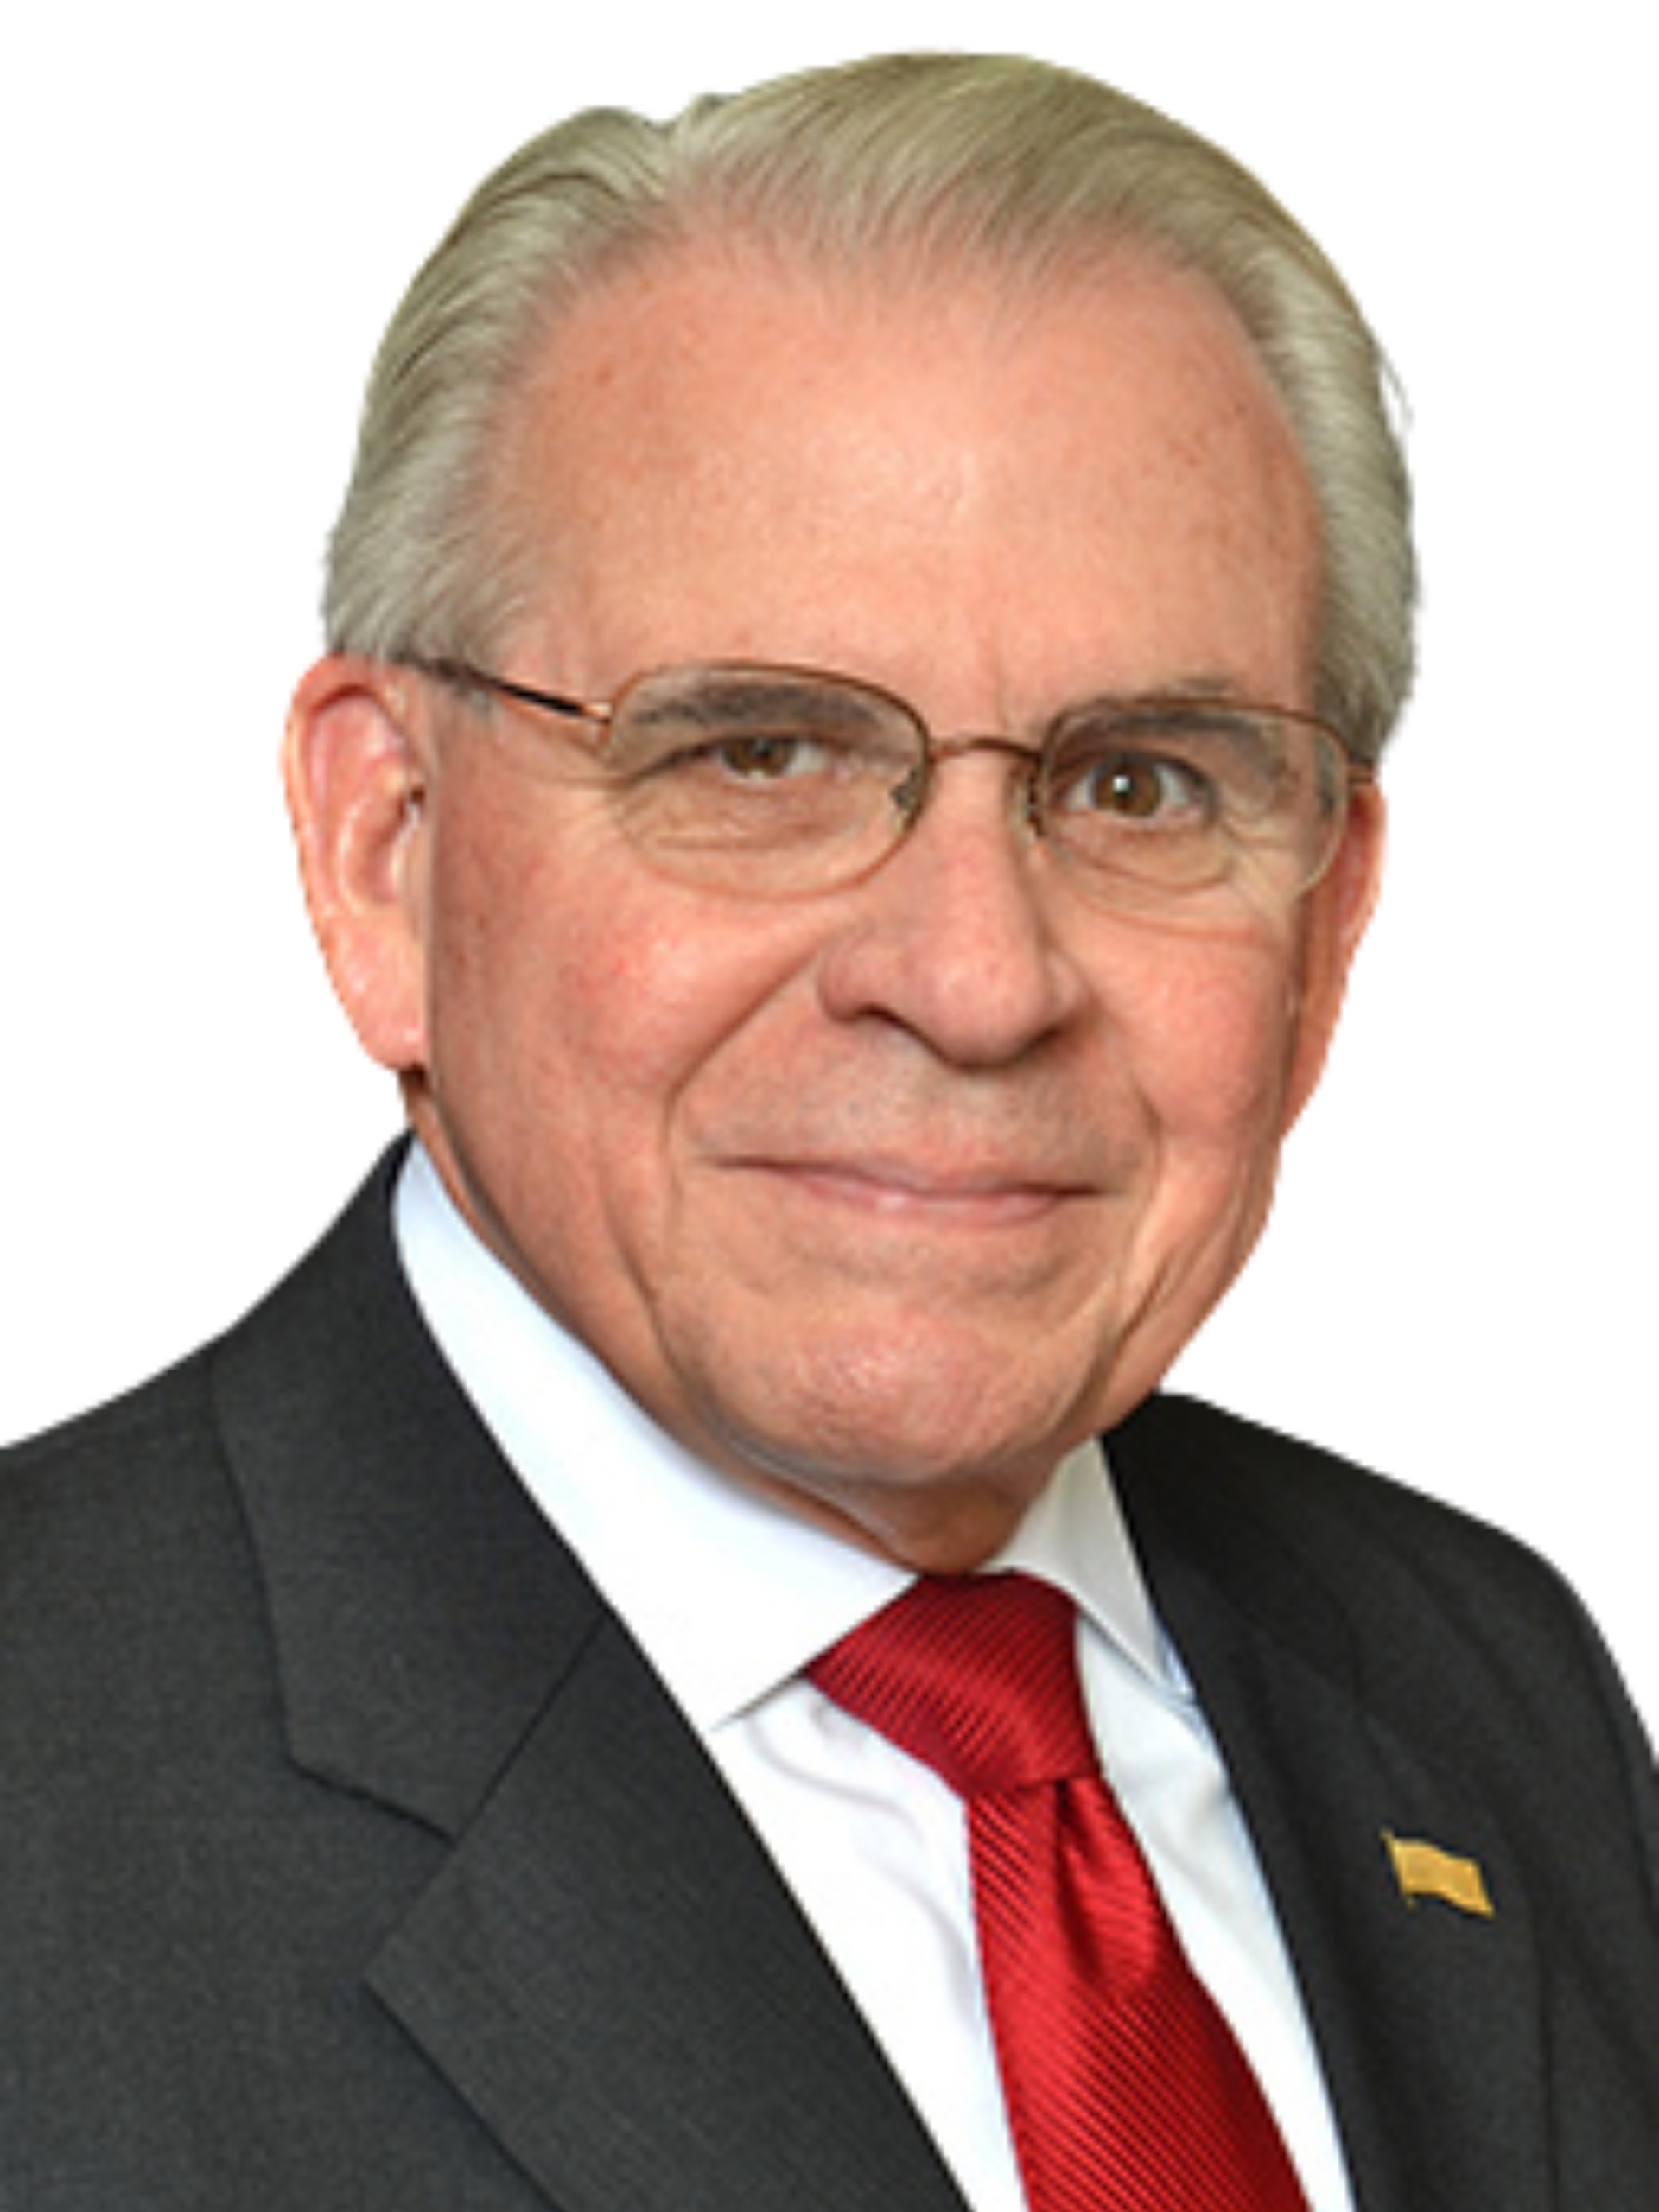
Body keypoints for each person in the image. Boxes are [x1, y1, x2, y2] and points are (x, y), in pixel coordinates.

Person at [3, 49, 1654, 2209]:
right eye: (760, 752)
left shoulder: (1480, 1674)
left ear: (1331, 917)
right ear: (388, 853)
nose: (973, 980)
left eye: (1144, 780)